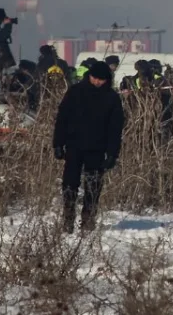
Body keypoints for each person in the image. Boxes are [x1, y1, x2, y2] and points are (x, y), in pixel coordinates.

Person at [52, 61, 124, 233]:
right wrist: (57, 144)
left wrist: (113, 154)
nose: (98, 82)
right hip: (74, 146)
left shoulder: (112, 98)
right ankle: (68, 219)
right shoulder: (75, 92)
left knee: (93, 187)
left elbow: (115, 128)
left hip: (97, 149)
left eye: (102, 79)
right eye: (95, 78)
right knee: (70, 185)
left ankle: (88, 221)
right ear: (89, 76)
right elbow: (62, 120)